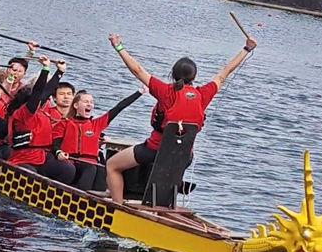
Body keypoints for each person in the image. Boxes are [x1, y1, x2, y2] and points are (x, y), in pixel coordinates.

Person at [104, 33, 258, 204]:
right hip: (184, 156)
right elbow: (224, 73)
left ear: (173, 74)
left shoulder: (166, 91)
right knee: (162, 167)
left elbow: (137, 70)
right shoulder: (202, 95)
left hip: (155, 150)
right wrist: (246, 49)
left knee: (112, 165)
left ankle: (118, 206)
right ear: (194, 77)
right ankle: (165, 204)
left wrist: (118, 46)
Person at [52, 87, 145, 190]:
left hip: (92, 161)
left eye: (91, 102)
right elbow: (55, 144)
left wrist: (139, 92)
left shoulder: (96, 124)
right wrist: (58, 152)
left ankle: (98, 196)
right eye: (86, 102)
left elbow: (119, 107)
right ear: (76, 105)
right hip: (73, 161)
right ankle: (81, 194)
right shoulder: (64, 123)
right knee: (91, 168)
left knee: (102, 170)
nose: (89, 104)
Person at [6, 56, 75, 184]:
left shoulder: (39, 110)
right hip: (24, 159)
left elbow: (46, 92)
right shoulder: (23, 113)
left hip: (42, 157)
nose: (42, 100)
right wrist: (45, 69)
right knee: (31, 176)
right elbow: (38, 92)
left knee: (68, 169)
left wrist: (60, 72)